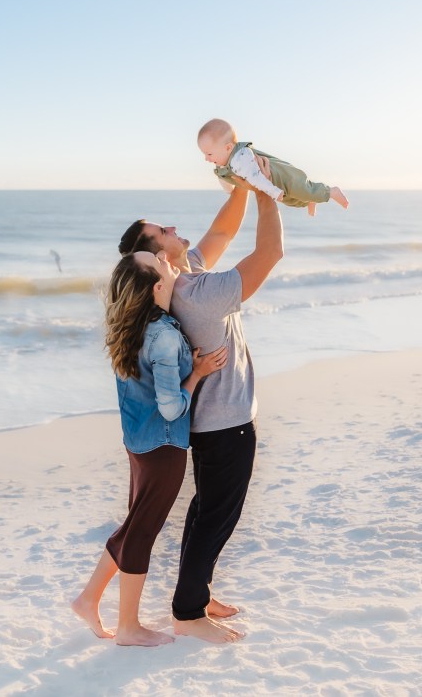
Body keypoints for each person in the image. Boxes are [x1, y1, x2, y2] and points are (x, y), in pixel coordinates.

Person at [118, 179, 284, 643]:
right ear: (159, 257)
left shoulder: (182, 278)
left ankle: (198, 592)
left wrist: (242, 185)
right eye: (162, 231)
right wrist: (270, 194)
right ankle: (188, 612)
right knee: (216, 517)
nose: (172, 227)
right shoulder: (199, 293)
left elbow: (223, 233)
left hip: (211, 423)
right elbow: (269, 254)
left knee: (204, 511)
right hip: (225, 424)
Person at [71, 251, 229, 647]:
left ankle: (88, 599)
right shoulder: (164, 336)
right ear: (158, 287)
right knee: (142, 532)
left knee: (135, 524)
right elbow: (172, 407)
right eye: (160, 264)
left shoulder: (136, 326)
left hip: (138, 444)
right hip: (162, 446)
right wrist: (197, 373)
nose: (167, 260)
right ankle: (128, 627)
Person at [198, 117, 348, 216]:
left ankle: (331, 191)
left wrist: (274, 192)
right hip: (271, 184)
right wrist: (229, 190)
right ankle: (309, 200)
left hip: (278, 176)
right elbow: (225, 178)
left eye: (209, 154)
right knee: (291, 199)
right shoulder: (223, 164)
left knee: (298, 187)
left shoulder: (240, 158)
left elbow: (258, 179)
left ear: (228, 148)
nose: (206, 158)